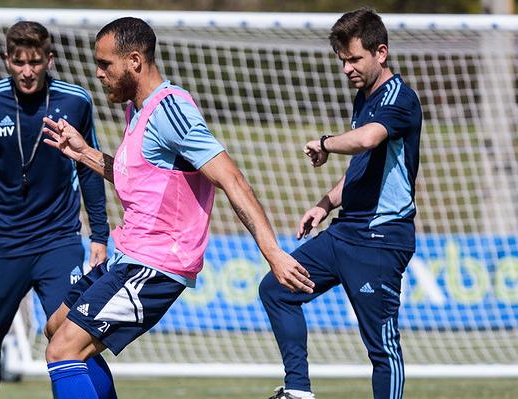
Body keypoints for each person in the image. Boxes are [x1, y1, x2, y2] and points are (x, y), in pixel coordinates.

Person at [40, 17, 314, 399]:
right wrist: (84, 153)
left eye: (105, 64)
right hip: (131, 255)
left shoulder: (170, 111)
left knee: (63, 350)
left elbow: (232, 179)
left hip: (155, 264)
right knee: (57, 327)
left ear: (134, 61)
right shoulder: (138, 111)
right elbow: (140, 181)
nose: (98, 73)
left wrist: (274, 254)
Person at [0, 21, 114, 399]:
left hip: (57, 242)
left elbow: (89, 167)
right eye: (19, 63)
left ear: (49, 60)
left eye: (34, 62)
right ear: (7, 61)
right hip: (1, 245)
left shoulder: (75, 101)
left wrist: (99, 234)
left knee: (74, 333)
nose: (27, 72)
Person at [258, 8, 422, 399]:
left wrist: (326, 143)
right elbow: (363, 165)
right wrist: (325, 203)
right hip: (345, 232)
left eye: (354, 59)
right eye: (342, 61)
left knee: (382, 348)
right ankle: (298, 390)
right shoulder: (363, 98)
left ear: (380, 52)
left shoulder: (401, 98)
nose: (347, 68)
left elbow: (366, 140)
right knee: (277, 288)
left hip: (381, 241)